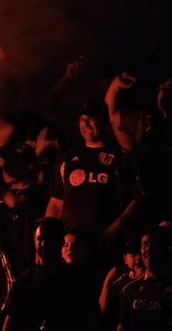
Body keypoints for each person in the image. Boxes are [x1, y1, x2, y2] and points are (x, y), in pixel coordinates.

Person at [45, 99, 143, 249]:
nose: (85, 125)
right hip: (70, 246)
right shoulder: (68, 158)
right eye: (82, 120)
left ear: (104, 122)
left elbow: (137, 199)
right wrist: (47, 235)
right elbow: (56, 203)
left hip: (105, 244)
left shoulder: (121, 158)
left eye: (91, 119)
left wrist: (115, 228)